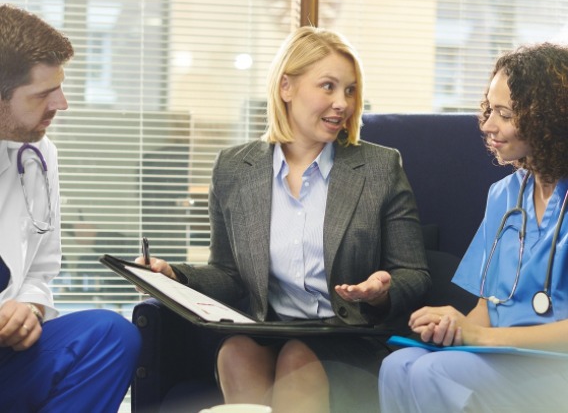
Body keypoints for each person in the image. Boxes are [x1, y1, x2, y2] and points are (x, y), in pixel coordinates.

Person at [139, 26, 430, 413]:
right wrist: (174, 276)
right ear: (286, 87)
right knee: (235, 352)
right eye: (328, 86)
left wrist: (383, 289)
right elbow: (228, 274)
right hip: (267, 329)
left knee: (298, 357)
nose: (342, 102)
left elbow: (414, 272)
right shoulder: (234, 168)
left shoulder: (379, 166)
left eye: (350, 89)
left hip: (350, 337)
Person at [379, 42, 568, 412]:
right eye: (489, 109)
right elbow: (488, 304)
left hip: (555, 364)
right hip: (502, 357)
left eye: (504, 113)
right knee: (397, 366)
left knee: (433, 373)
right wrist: (457, 329)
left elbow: (488, 329)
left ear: (548, 119)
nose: (487, 124)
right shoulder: (504, 195)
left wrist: (482, 336)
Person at [0, 4, 141, 412]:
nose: (61, 103)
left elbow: (41, 269)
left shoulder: (39, 154)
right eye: (44, 93)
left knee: (111, 335)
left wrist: (28, 310)